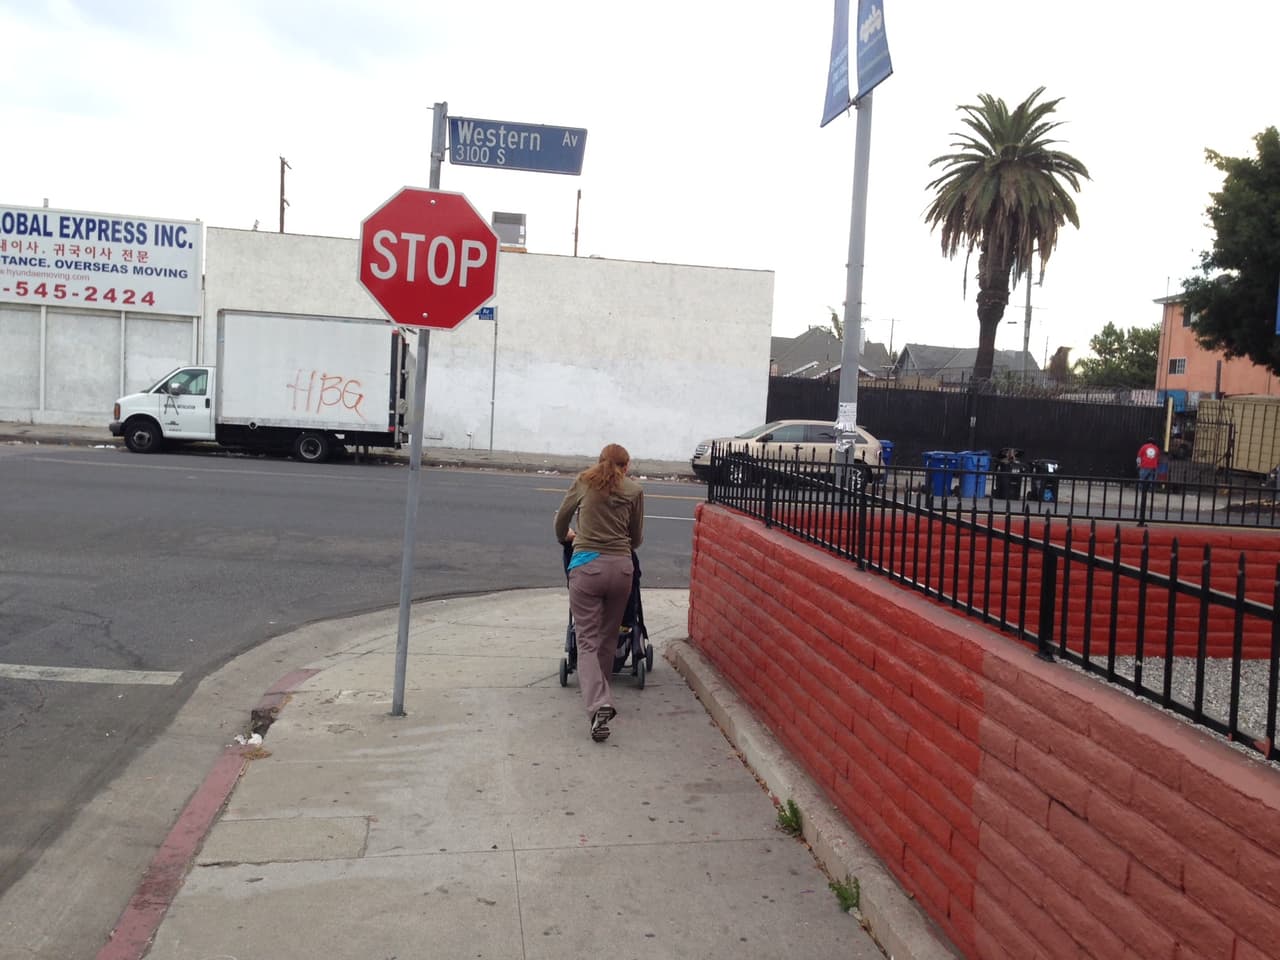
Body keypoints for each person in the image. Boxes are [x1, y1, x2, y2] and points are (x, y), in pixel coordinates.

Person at [554, 443, 645, 743]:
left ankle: (598, 705)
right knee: (607, 637)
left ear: (599, 460)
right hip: (621, 570)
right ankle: (601, 700)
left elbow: (561, 520)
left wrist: (568, 537)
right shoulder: (634, 491)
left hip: (587, 568)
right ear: (627, 466)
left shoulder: (583, 481)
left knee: (587, 641)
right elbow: (637, 538)